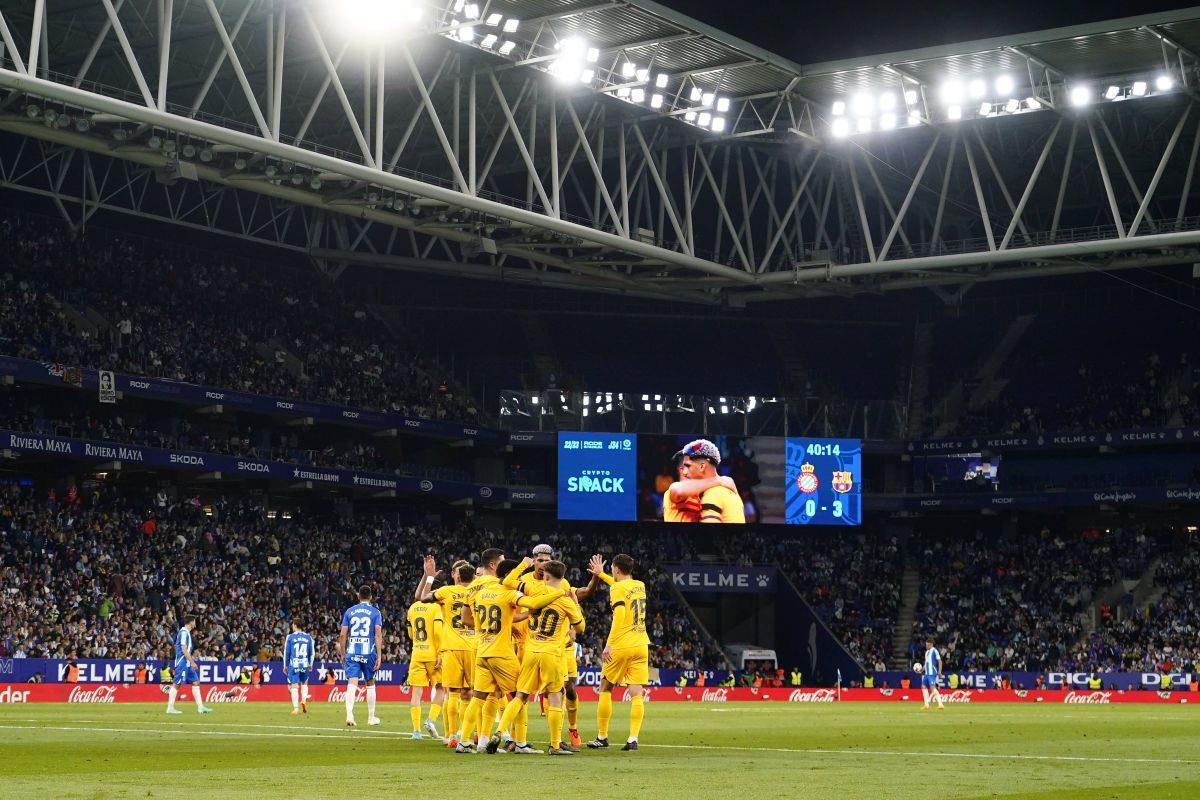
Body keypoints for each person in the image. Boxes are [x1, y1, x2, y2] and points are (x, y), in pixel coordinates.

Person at [455, 553, 564, 755]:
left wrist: (510, 622)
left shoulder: (480, 593)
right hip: (501, 652)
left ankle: (468, 742)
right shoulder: (507, 592)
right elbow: (532, 604)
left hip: (481, 649)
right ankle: (520, 743)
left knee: (480, 697)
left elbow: (474, 619)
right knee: (519, 695)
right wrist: (560, 594)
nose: (519, 581)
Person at [488, 560, 585, 756]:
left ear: (545, 576)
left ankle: (499, 732)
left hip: (530, 651)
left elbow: (507, 581)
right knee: (555, 696)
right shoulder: (565, 600)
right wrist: (574, 602)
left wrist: (523, 565)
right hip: (551, 654)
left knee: (521, 696)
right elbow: (580, 627)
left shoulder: (532, 588)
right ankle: (555, 745)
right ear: (562, 578)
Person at [587, 553, 650, 752]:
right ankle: (633, 739)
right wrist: (601, 574)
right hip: (641, 644)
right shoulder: (640, 585)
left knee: (605, 687)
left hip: (622, 644)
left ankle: (602, 737)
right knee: (636, 693)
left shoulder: (617, 588)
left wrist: (609, 644)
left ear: (616, 569)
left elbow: (620, 614)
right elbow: (619, 586)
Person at [418, 558, 475, 747]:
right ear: (474, 576)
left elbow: (422, 597)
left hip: (451, 647)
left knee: (453, 693)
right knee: (472, 693)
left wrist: (429, 577)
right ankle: (467, 734)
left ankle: (451, 736)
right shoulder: (478, 592)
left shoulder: (446, 591)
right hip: (473, 647)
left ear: (457, 577)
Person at [338, 584, 383, 727]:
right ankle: (371, 717)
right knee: (370, 683)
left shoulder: (349, 612)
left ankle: (350, 715)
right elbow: (377, 634)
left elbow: (342, 635)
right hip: (368, 652)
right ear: (370, 597)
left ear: (358, 597)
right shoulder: (376, 613)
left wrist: (343, 654)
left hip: (352, 651)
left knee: (352, 683)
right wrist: (379, 655)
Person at [677, 440, 745, 523]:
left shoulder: (712, 495)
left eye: (688, 466)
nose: (684, 472)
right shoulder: (729, 490)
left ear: (702, 466)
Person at [406, 591, 444, 739]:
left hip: (417, 653)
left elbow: (410, 634)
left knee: (416, 693)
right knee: (440, 688)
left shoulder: (412, 608)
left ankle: (416, 731)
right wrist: (440, 652)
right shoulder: (435, 608)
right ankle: (430, 720)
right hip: (432, 655)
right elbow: (438, 632)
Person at [663, 453, 738, 523]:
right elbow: (678, 490)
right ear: (682, 470)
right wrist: (719, 480)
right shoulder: (674, 488)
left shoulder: (699, 496)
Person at [167, 614, 212, 715]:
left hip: (187, 663)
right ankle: (170, 708)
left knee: (196, 682)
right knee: (177, 684)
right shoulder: (183, 632)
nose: (195, 623)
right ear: (191, 622)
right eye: (194, 621)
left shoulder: (187, 632)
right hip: (182, 662)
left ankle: (201, 708)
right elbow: (183, 649)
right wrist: (192, 662)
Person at [283, 620, 315, 715]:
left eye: (293, 624)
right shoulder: (308, 637)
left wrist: (285, 665)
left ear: (295, 625)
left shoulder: (290, 637)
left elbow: (286, 652)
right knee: (304, 682)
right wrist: (311, 664)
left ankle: (296, 708)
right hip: (304, 664)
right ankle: (304, 699)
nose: (292, 626)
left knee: (294, 685)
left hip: (294, 664)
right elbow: (312, 653)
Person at [921, 639, 945, 710]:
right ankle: (926, 705)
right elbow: (926, 663)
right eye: (926, 645)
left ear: (931, 644)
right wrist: (922, 670)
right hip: (926, 673)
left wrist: (939, 671)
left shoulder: (934, 651)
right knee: (923, 687)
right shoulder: (927, 652)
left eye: (928, 645)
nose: (926, 646)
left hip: (932, 673)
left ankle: (941, 704)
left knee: (932, 687)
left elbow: (940, 661)